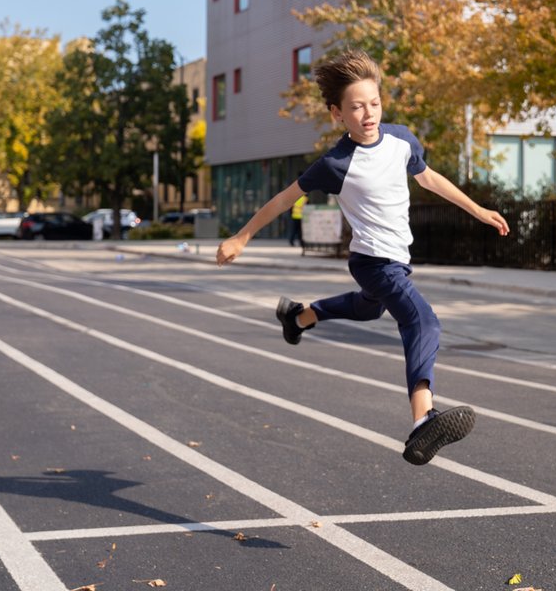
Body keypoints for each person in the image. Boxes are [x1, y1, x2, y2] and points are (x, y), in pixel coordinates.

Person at [216, 49, 510, 466]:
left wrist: (478, 210)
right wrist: (241, 237)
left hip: (394, 259)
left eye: (374, 104)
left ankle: (298, 317)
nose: (368, 114)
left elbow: (429, 178)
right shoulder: (335, 164)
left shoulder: (402, 139)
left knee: (368, 310)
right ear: (338, 113)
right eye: (356, 107)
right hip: (374, 263)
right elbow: (284, 199)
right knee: (422, 320)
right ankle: (422, 420)